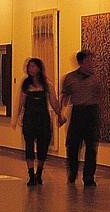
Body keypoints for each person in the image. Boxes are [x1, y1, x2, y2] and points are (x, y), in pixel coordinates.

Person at [12, 57, 63, 186]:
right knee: (29, 146)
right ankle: (31, 175)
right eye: (29, 66)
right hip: (29, 119)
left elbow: (53, 101)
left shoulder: (47, 84)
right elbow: (21, 103)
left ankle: (39, 173)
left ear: (39, 68)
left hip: (43, 119)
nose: (31, 69)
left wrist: (59, 115)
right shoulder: (26, 84)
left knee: (43, 146)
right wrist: (17, 117)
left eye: (33, 66)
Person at [61, 50, 104, 187]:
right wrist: (60, 113)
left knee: (91, 146)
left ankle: (89, 177)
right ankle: (72, 173)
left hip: (91, 112)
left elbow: (100, 97)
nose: (92, 63)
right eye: (89, 60)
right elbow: (65, 97)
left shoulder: (96, 79)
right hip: (78, 112)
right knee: (73, 146)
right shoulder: (70, 78)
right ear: (82, 62)